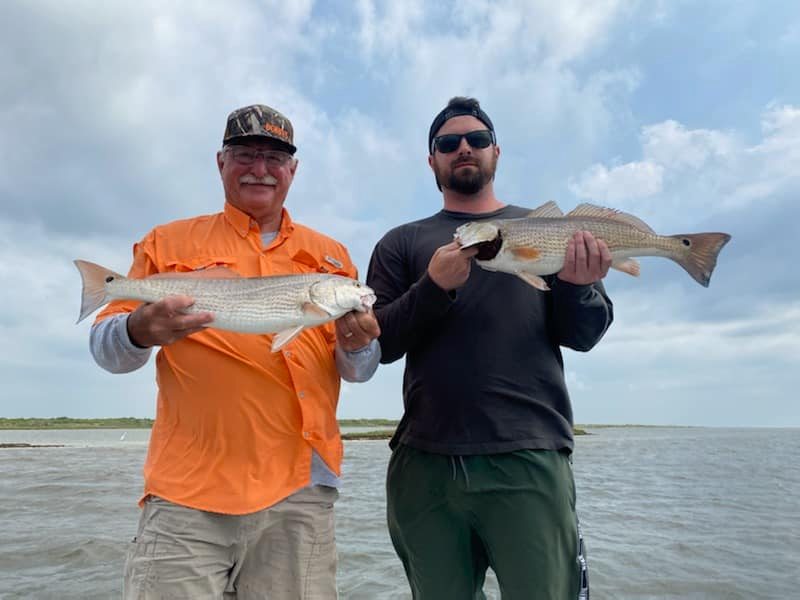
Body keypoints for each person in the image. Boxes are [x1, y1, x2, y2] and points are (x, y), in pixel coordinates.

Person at [89, 104, 381, 599]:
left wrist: (360, 345)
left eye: (275, 158)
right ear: (220, 162)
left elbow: (358, 370)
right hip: (187, 492)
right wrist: (139, 329)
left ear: (293, 169)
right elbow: (107, 351)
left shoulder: (331, 257)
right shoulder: (167, 242)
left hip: (300, 494)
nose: (260, 169)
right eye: (245, 154)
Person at [366, 97, 613, 599]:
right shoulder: (402, 242)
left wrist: (576, 285)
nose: (464, 148)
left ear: (495, 152)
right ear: (432, 159)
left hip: (530, 454)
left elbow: (585, 335)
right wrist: (433, 287)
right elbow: (380, 344)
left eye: (477, 139)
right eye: (448, 142)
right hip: (424, 464)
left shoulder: (552, 233)